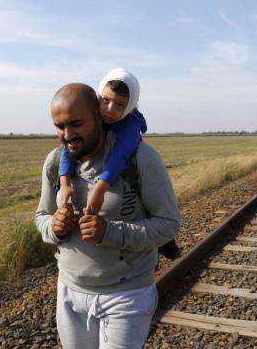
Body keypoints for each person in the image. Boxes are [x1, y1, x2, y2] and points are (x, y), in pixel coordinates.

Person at [35, 82, 181, 349]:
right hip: (70, 293)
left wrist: (109, 232)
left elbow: (168, 224)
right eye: (59, 126)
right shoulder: (55, 162)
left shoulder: (141, 158)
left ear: (99, 116)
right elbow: (42, 215)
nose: (67, 135)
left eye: (76, 124)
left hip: (126, 295)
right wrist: (54, 227)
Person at [58, 68, 181, 260]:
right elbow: (67, 148)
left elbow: (120, 157)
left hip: (130, 280)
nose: (110, 110)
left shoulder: (130, 127)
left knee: (144, 201)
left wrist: (99, 189)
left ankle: (165, 242)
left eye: (120, 105)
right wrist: (65, 183)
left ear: (130, 105)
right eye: (105, 101)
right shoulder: (92, 117)